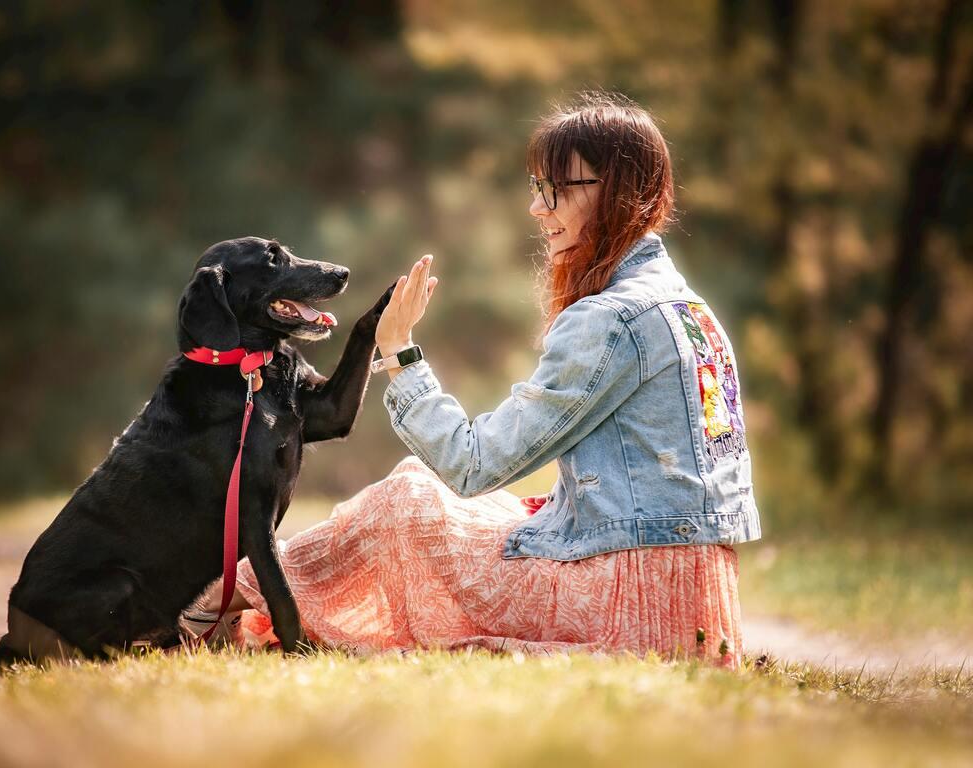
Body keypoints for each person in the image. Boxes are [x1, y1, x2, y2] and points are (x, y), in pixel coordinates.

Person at [186, 92, 761, 667]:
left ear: (620, 193)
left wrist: (399, 351)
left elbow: (472, 464)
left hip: (622, 599)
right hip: (698, 607)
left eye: (558, 189)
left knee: (410, 498)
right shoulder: (690, 310)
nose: (539, 209)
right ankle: (236, 600)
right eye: (538, 188)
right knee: (467, 506)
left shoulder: (610, 319)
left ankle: (208, 606)